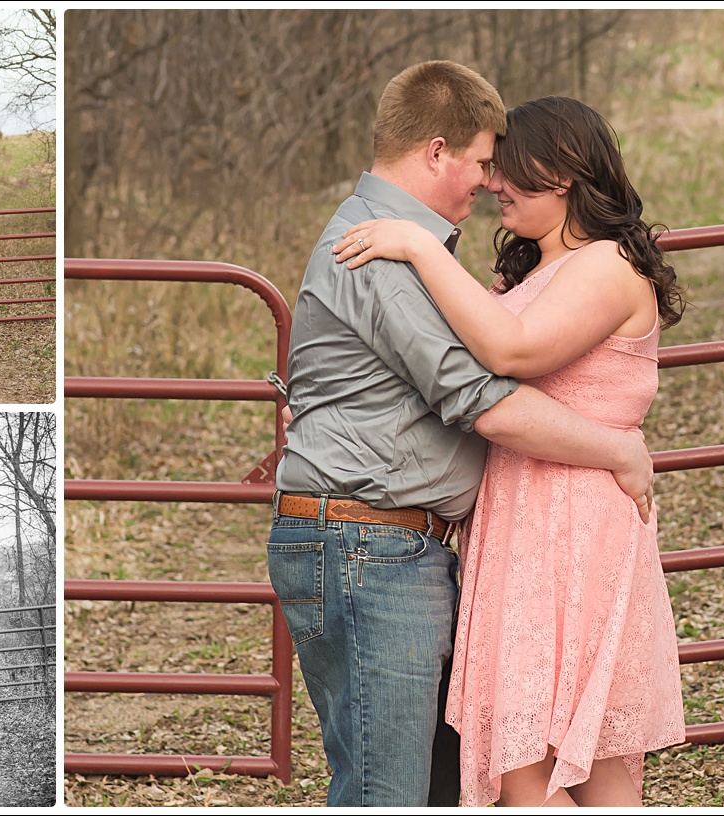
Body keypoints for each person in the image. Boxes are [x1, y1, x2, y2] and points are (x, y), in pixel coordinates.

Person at [267, 61, 654, 808]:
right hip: (369, 548)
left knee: (438, 783)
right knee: (395, 792)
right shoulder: (380, 249)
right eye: (481, 161)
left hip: (410, 545)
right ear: (436, 152)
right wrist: (617, 449)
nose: (488, 180)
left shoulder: (404, 246)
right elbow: (480, 393)